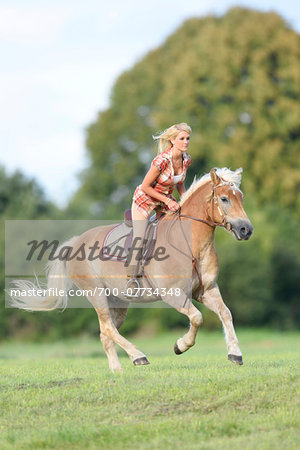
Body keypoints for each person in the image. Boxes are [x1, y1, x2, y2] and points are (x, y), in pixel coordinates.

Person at [126, 123, 192, 286]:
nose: (186, 142)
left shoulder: (186, 160)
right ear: (172, 140)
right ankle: (131, 279)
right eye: (182, 138)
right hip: (145, 200)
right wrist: (168, 200)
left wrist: (186, 200)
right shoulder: (161, 161)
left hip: (164, 202)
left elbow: (180, 183)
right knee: (140, 238)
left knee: (174, 230)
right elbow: (145, 186)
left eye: (188, 138)